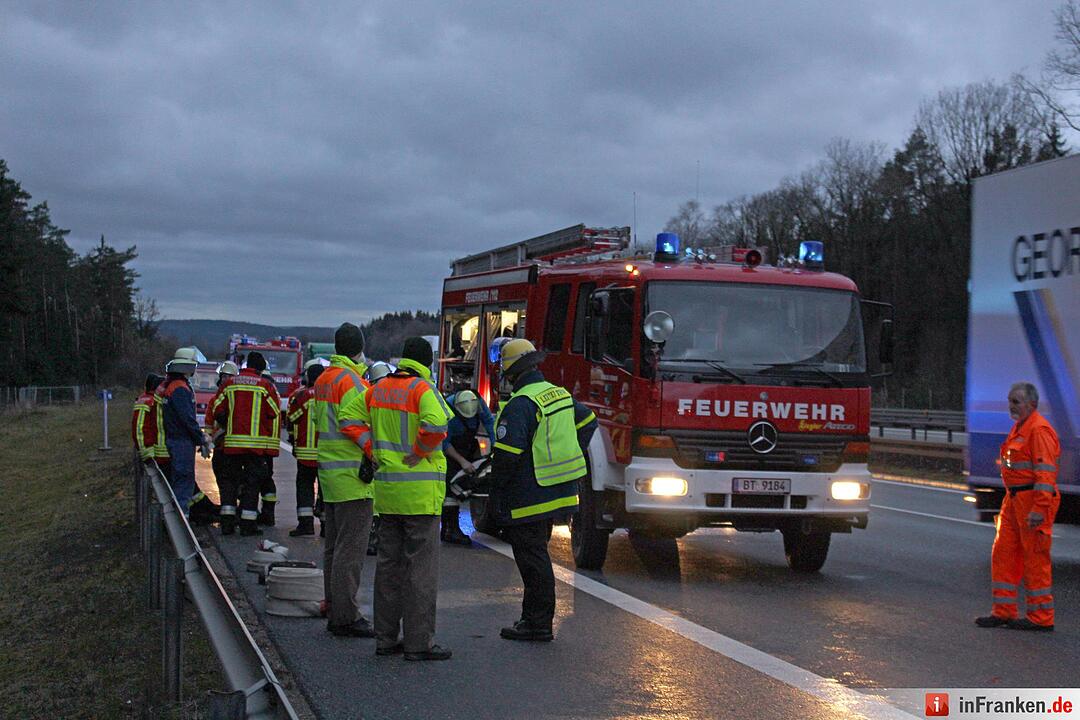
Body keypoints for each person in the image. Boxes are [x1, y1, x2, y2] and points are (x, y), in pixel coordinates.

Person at [352, 337, 453, 660]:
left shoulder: (378, 389)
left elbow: (348, 418)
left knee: (388, 567)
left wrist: (372, 449)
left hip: (387, 493)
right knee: (419, 571)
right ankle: (418, 644)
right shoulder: (423, 389)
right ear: (426, 362)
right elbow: (437, 424)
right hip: (420, 497)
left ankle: (385, 639)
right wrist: (420, 451)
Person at [490, 338, 597, 642]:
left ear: (511, 373)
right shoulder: (558, 394)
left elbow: (508, 456)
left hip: (531, 493)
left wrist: (495, 496)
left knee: (531, 557)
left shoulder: (522, 403)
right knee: (537, 553)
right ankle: (534, 618)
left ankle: (537, 622)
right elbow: (589, 421)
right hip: (560, 490)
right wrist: (567, 454)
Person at [976, 382, 1061, 631]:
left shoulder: (1039, 430)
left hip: (1032, 500)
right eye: (1010, 400)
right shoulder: (1020, 428)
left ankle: (1041, 618)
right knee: (1004, 553)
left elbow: (1046, 475)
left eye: (1016, 401)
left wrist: (1038, 509)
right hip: (1014, 500)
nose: (1011, 405)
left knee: (1035, 557)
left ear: (1031, 404)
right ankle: (1004, 611)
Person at [313, 322, 376, 637]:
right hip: (353, 475)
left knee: (334, 547)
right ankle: (346, 616)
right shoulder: (352, 382)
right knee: (350, 549)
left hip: (329, 473)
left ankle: (334, 607)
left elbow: (317, 422)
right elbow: (362, 423)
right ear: (359, 348)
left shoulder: (324, 379)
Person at [208, 352, 281, 536]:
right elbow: (274, 411)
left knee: (230, 484)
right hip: (255, 447)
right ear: (260, 368)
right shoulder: (265, 386)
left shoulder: (229, 384)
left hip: (232, 445)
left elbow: (216, 408)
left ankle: (227, 523)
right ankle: (248, 525)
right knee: (251, 485)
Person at [157, 348, 212, 515]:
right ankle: (182, 520)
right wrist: (201, 439)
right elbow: (187, 419)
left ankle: (179, 519)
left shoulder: (171, 385)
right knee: (183, 481)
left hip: (175, 439)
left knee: (179, 481)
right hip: (181, 442)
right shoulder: (180, 388)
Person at [440, 389, 495, 545]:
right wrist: (462, 461)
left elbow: (489, 423)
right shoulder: (447, 409)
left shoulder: (478, 403)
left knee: (463, 485)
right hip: (451, 452)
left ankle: (451, 529)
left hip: (467, 445)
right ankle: (450, 529)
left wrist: (495, 447)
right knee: (451, 489)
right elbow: (444, 443)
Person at [287, 360, 324, 537]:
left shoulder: (301, 396)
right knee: (326, 491)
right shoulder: (329, 394)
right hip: (327, 453)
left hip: (305, 453)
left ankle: (306, 525)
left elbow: (292, 418)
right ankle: (326, 527)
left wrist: (293, 441)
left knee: (304, 487)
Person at [205, 361, 240, 527]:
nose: (226, 379)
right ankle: (231, 517)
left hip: (234, 447)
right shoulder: (217, 399)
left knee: (230, 484)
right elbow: (209, 422)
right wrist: (207, 441)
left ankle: (230, 518)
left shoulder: (234, 397)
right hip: (223, 447)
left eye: (229, 376)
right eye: (224, 376)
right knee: (226, 484)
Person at [258, 368, 281, 525]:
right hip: (269, 444)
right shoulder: (274, 393)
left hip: (262, 444)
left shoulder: (265, 392)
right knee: (266, 479)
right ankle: (268, 513)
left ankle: (266, 514)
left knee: (260, 480)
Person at [132, 373, 168, 467]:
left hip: (155, 453)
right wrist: (146, 453)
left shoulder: (146, 399)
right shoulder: (150, 401)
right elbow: (140, 428)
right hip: (153, 454)